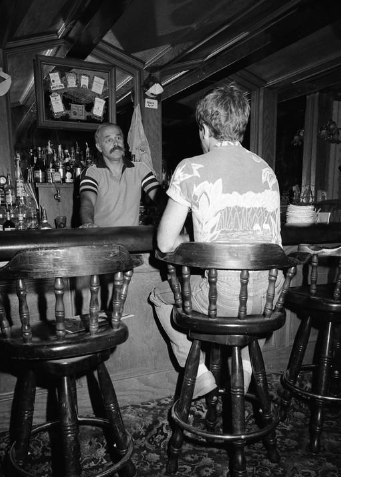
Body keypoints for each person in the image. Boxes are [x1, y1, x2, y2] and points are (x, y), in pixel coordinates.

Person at [150, 83, 283, 399]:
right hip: (271, 296)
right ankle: (246, 369)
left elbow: (166, 243)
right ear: (239, 127)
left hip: (222, 297)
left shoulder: (190, 168)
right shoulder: (267, 170)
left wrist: (189, 239)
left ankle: (199, 377)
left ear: (206, 129)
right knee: (252, 319)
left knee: (159, 297)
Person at [78, 123, 162, 228]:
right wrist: (88, 223)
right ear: (99, 147)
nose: (116, 143)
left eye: (118, 138)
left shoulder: (140, 169)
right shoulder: (92, 172)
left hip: (130, 239)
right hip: (102, 239)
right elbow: (87, 201)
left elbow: (159, 195)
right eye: (109, 140)